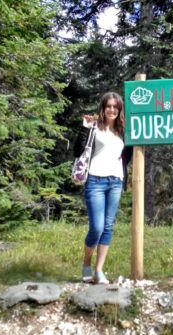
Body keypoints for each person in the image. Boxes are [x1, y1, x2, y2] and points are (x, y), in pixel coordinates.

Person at [73, 92, 132, 284]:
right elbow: (77, 151)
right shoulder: (93, 127)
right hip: (95, 181)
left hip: (116, 181)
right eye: (109, 106)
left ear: (119, 110)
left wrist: (121, 172)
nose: (112, 110)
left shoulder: (123, 131)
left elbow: (126, 156)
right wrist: (84, 128)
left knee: (108, 227)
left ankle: (99, 271)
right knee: (97, 227)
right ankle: (86, 264)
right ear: (103, 108)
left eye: (116, 107)